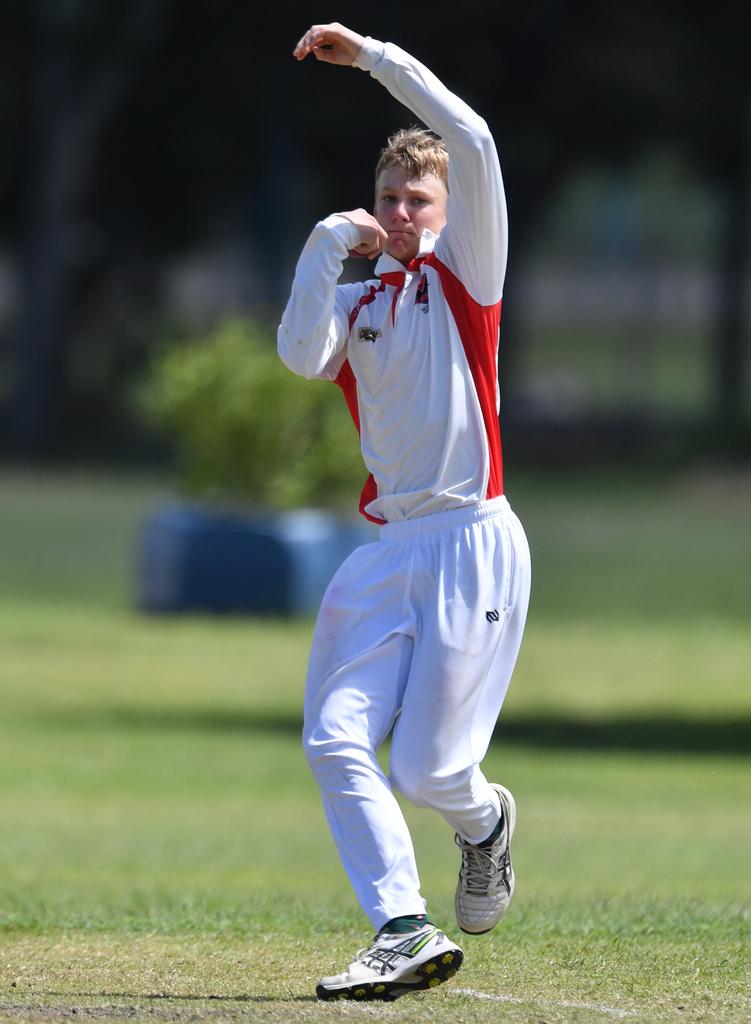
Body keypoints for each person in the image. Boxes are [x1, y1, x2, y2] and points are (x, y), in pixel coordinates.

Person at [278, 22, 531, 1003]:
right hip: (384, 550)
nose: (400, 210)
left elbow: (470, 139)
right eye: (388, 196)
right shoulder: (364, 303)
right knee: (335, 737)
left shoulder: (469, 278)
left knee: (429, 773)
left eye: (414, 198)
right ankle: (401, 924)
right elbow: (304, 351)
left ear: (450, 211)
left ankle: (484, 822)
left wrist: (375, 61)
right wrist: (329, 242)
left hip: (473, 537)